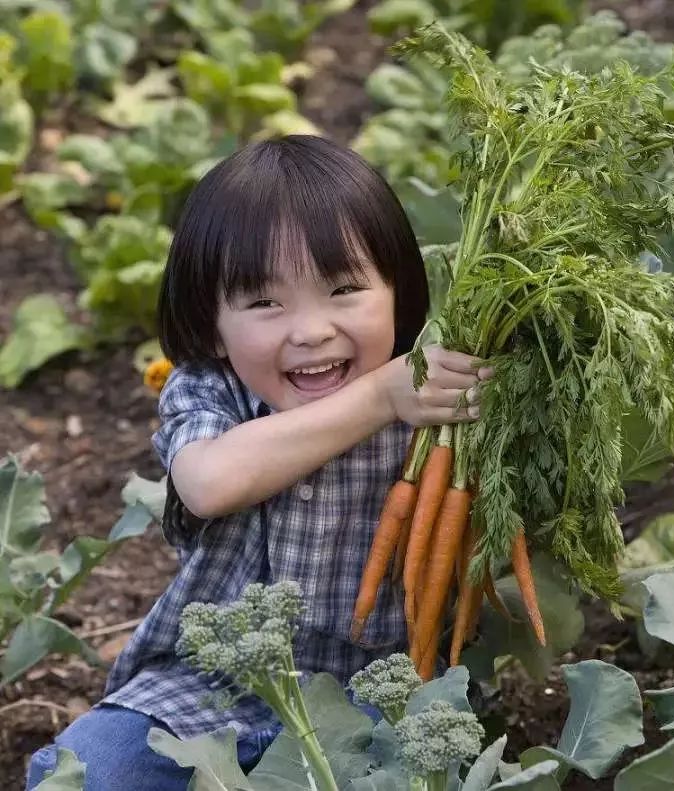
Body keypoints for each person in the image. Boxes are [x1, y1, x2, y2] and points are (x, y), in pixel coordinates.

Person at [25, 135, 489, 790]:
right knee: (89, 773)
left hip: (382, 691)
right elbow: (210, 481)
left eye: (345, 289)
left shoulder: (439, 401)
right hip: (210, 682)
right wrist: (382, 395)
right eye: (265, 302)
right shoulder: (208, 388)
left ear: (401, 293)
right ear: (213, 324)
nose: (310, 330)